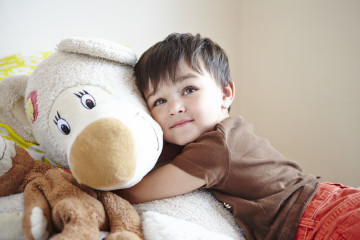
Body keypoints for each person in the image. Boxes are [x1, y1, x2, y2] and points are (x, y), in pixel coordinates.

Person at [116, 33, 360, 240]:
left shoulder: (216, 147)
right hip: (329, 203)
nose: (174, 107)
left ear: (225, 94)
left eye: (189, 89)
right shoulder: (222, 136)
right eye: (159, 100)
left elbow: (136, 192)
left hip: (322, 217)